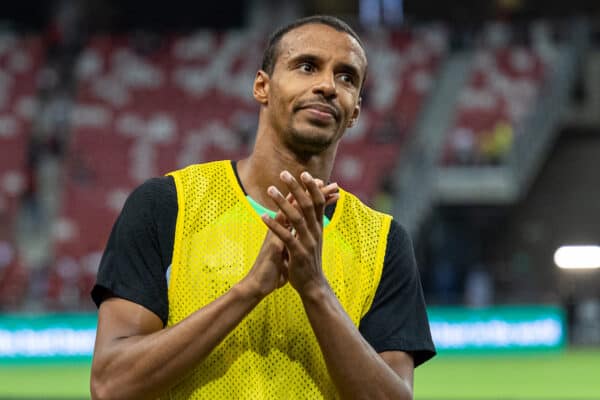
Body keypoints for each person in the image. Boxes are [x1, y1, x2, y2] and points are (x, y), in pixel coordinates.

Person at [90, 15, 435, 400]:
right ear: (262, 87)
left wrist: (315, 289)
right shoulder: (167, 204)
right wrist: (251, 289)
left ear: (354, 113)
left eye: (346, 77)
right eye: (307, 67)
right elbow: (111, 385)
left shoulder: (383, 241)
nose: (327, 86)